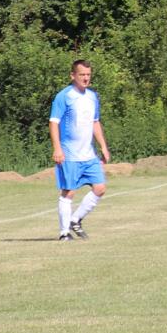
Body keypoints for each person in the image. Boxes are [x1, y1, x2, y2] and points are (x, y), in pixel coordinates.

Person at [47, 59, 110, 241]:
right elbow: (53, 122)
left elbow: (95, 122)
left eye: (88, 75)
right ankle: (64, 233)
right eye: (82, 74)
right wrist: (57, 148)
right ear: (72, 75)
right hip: (70, 153)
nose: (85, 78)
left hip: (88, 154)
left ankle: (75, 220)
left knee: (100, 188)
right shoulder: (64, 96)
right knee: (69, 192)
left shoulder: (92, 96)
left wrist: (103, 146)